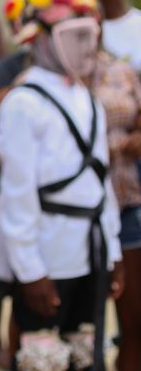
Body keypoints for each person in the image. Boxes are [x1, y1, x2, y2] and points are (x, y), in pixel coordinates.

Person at [0, 0, 124, 371]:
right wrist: (30, 271)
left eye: (90, 36)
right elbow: (17, 194)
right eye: (73, 36)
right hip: (47, 253)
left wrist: (112, 249)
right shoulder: (23, 103)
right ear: (41, 37)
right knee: (42, 355)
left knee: (87, 351)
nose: (85, 47)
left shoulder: (85, 98)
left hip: (89, 249)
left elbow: (102, 183)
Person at [90, 46, 141, 371]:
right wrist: (117, 144)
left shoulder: (119, 70)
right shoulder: (43, 79)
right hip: (72, 215)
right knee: (81, 326)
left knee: (134, 320)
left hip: (126, 200)